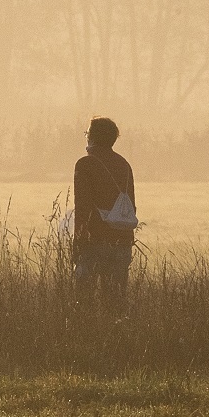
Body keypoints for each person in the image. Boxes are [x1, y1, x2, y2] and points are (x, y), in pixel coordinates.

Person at [72, 116, 135, 299]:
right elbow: (130, 205)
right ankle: (115, 328)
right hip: (122, 241)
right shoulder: (124, 165)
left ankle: (87, 329)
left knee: (83, 301)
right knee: (115, 303)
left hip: (94, 240)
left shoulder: (85, 164)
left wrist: (78, 242)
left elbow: (82, 207)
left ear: (91, 137)